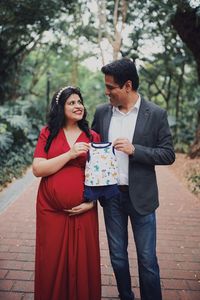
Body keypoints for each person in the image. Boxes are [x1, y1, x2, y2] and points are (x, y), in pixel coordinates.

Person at [92, 58, 175, 300]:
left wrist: (135, 150)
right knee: (117, 257)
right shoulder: (102, 112)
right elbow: (94, 147)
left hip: (143, 198)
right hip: (112, 198)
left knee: (147, 260)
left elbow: (168, 154)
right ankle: (125, 295)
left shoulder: (156, 114)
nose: (106, 92)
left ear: (127, 86)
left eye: (111, 87)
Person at [32, 86, 101, 300]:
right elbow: (38, 169)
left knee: (83, 262)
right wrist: (70, 155)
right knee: (50, 260)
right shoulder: (48, 134)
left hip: (84, 210)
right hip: (50, 210)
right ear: (60, 107)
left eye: (79, 102)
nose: (78, 106)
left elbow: (101, 176)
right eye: (71, 102)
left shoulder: (93, 136)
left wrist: (92, 202)